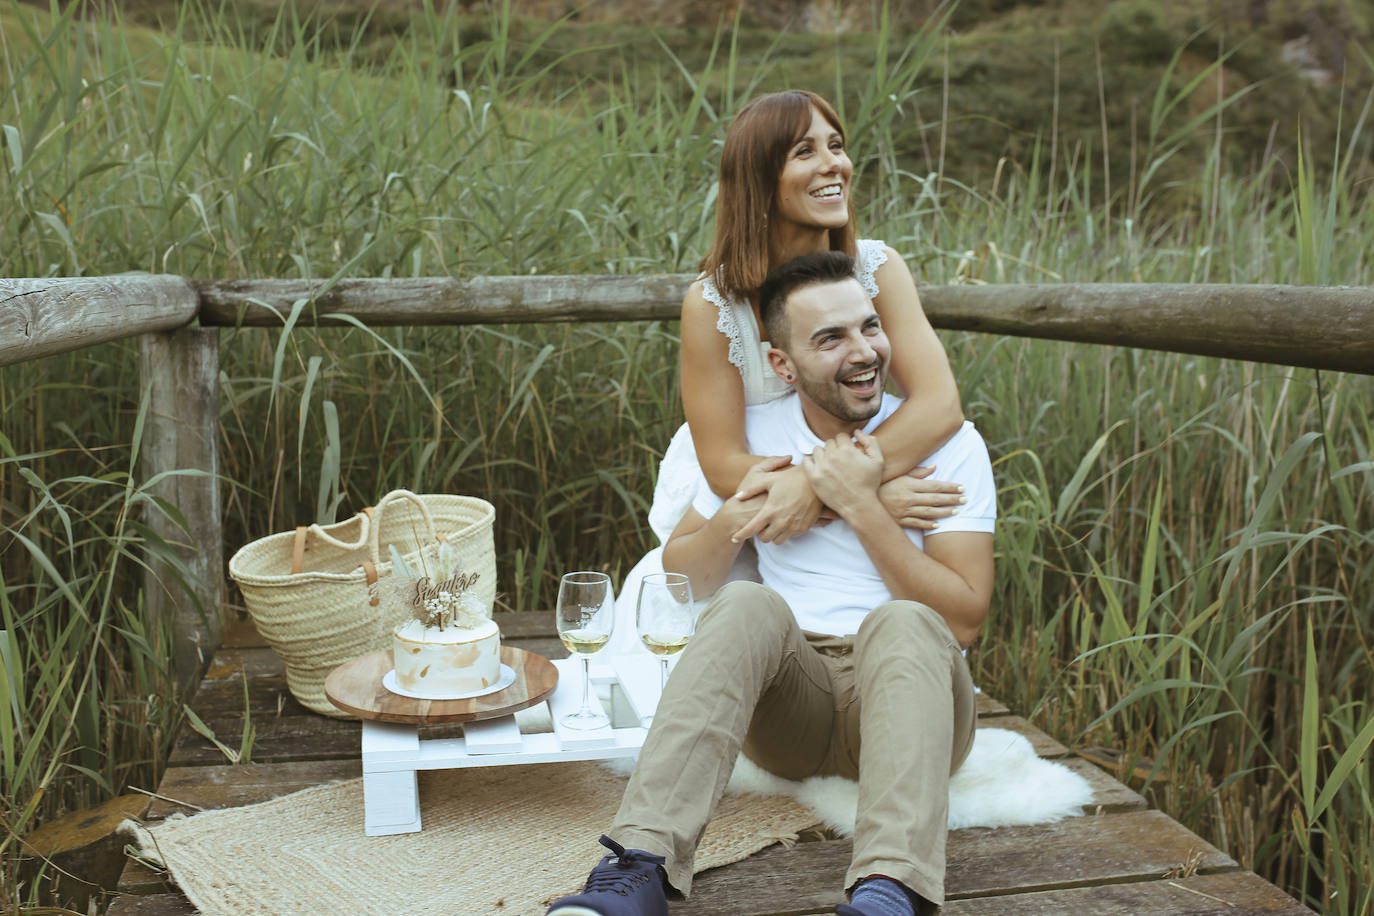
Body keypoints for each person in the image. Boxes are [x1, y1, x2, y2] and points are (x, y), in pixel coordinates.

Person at [547, 251, 996, 916]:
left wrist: (862, 504)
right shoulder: (757, 438)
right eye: (831, 338)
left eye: (870, 327)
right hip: (794, 698)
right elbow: (683, 577)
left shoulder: (950, 445)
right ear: (782, 365)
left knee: (902, 619)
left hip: (914, 696)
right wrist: (745, 514)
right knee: (744, 602)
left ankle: (889, 893)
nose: (864, 352)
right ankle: (636, 869)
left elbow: (962, 620)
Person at [611, 89, 966, 651]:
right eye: (805, 151)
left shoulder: (879, 269)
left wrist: (831, 489)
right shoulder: (713, 304)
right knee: (704, 651)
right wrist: (858, 497)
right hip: (745, 506)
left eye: (836, 146)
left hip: (835, 492)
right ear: (758, 179)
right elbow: (723, 465)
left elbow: (939, 405)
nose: (833, 165)